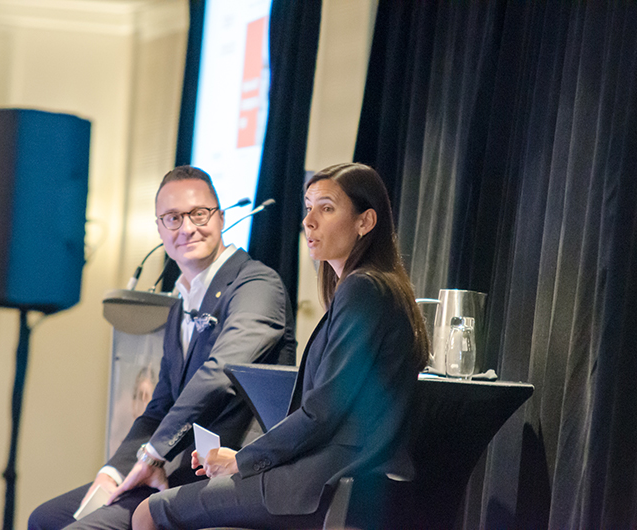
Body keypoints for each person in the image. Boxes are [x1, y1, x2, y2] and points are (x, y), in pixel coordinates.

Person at [131, 162, 430, 530]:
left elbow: (322, 412)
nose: (309, 221)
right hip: (329, 475)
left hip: (324, 482)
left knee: (148, 512)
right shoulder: (374, 288)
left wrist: (243, 460)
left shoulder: (364, 288)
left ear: (365, 222)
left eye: (327, 208)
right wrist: (246, 459)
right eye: (308, 208)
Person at [29, 166, 296, 530]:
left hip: (228, 474)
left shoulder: (257, 284)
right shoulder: (178, 304)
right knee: (45, 519)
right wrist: (114, 469)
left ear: (221, 217)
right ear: (159, 229)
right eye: (172, 218)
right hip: (172, 466)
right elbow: (159, 406)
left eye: (198, 214)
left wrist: (152, 454)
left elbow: (220, 373)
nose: (187, 228)